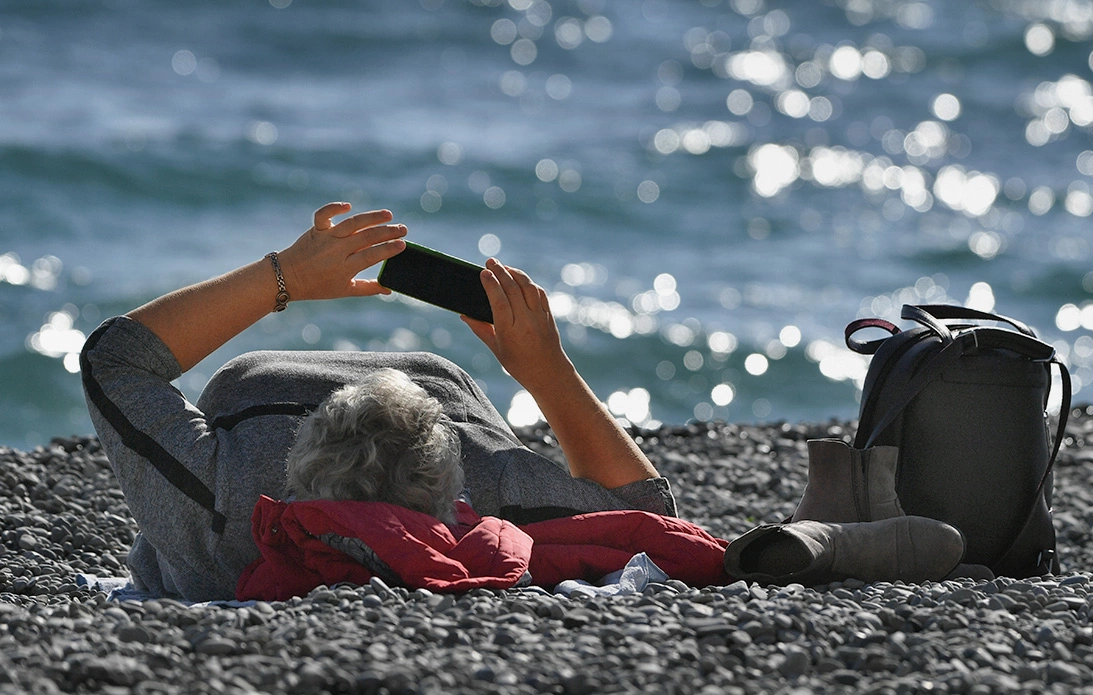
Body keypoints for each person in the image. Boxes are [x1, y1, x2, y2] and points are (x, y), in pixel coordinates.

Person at [81, 202, 677, 602]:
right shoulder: (489, 477)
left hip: (380, 395)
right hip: (436, 395)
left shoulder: (225, 501)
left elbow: (114, 359)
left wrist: (283, 276)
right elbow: (649, 516)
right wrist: (547, 370)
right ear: (453, 505)